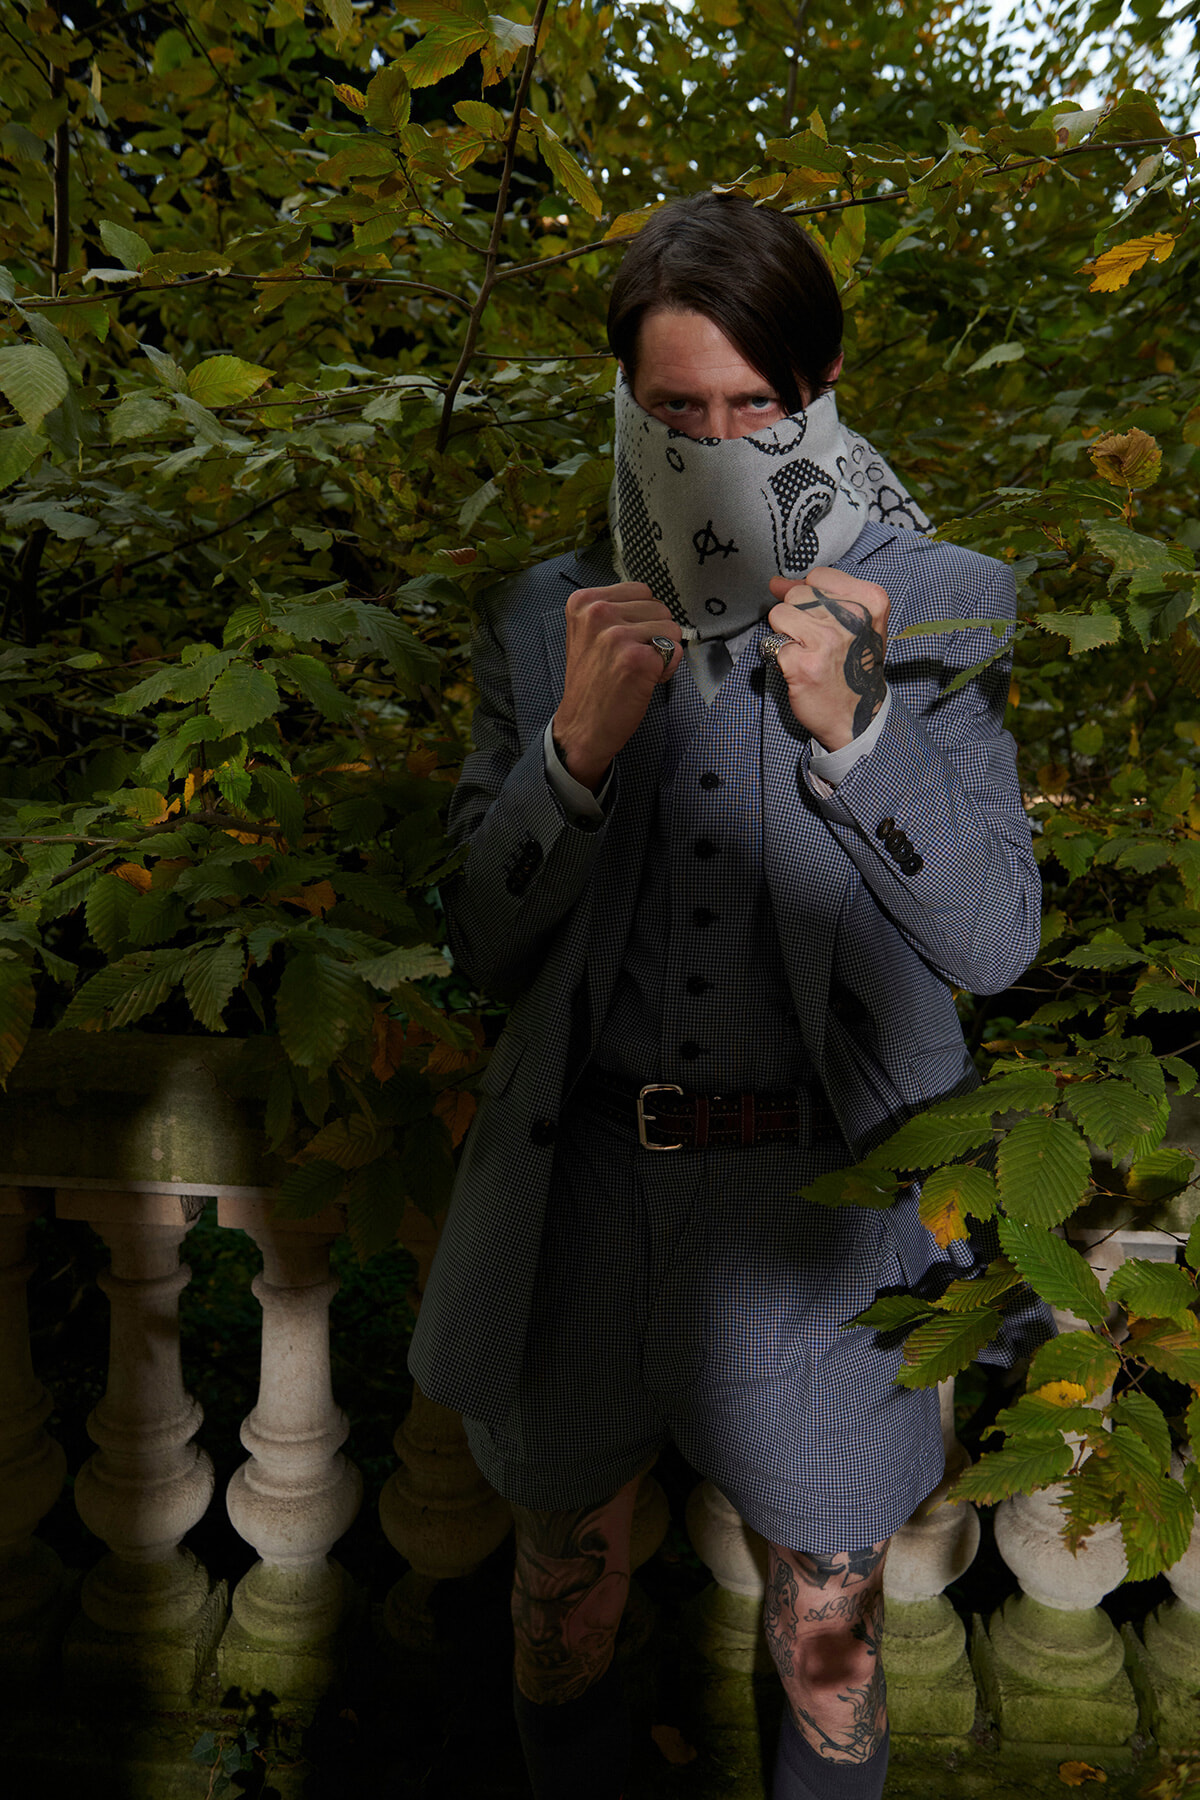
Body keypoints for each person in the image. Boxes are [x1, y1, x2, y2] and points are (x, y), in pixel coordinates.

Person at [408, 192, 1048, 1800]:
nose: (714, 439)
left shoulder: (931, 621)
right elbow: (478, 945)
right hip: (585, 1198)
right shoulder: (544, 616)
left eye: (752, 406)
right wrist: (571, 758)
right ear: (626, 404)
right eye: (674, 409)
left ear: (820, 386)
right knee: (560, 1606)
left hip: (819, 1211)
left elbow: (996, 943)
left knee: (828, 1644)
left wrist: (857, 736)